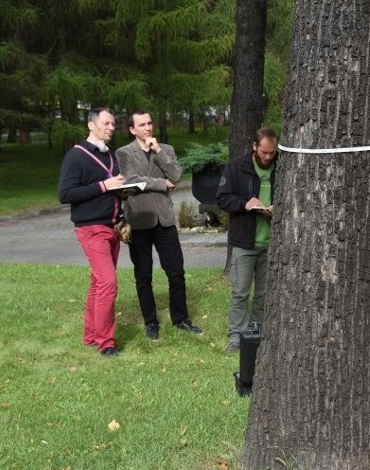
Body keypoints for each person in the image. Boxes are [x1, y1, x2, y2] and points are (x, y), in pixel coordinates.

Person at [116, 110, 204, 340]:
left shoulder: (165, 149)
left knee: (176, 272)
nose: (147, 128)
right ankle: (151, 322)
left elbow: (176, 175)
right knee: (143, 275)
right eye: (141, 125)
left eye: (149, 123)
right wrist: (160, 183)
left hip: (164, 220)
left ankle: (181, 319)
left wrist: (158, 151)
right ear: (132, 129)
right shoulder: (124, 153)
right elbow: (131, 180)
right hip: (139, 220)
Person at [58, 107, 127, 357]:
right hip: (91, 228)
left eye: (113, 124)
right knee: (109, 283)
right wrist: (103, 185)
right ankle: (105, 342)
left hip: (114, 227)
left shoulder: (111, 155)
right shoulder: (75, 157)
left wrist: (122, 190)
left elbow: (111, 186)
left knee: (99, 283)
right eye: (106, 123)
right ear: (91, 125)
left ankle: (90, 336)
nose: (111, 127)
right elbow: (65, 194)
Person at [216, 128, 278, 353]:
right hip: (244, 242)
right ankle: (235, 339)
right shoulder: (236, 167)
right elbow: (222, 198)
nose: (268, 157)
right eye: (264, 152)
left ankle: (257, 333)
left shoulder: (282, 167)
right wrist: (245, 204)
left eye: (272, 153)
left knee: (263, 293)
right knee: (240, 292)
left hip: (272, 243)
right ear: (254, 147)